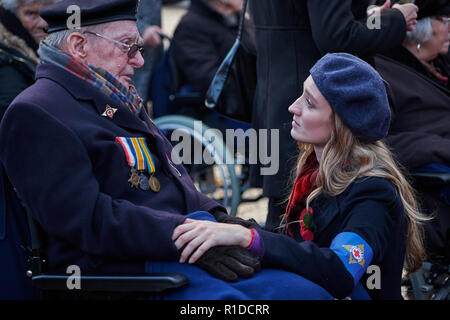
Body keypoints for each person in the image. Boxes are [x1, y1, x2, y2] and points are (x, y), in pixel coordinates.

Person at [0, 0, 366, 300]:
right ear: (80, 46)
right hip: (123, 272)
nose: (140, 61)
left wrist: (220, 219)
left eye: (139, 48)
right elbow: (89, 221)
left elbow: (176, 180)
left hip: (175, 248)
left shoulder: (109, 95)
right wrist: (188, 237)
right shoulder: (38, 110)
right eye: (129, 47)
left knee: (319, 288)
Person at [173, 53, 429, 300]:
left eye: (309, 103)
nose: (292, 107)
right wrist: (233, 227)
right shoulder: (316, 171)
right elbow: (295, 247)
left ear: (342, 124)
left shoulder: (373, 192)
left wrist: (249, 238)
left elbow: (340, 270)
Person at [248, 0, 419, 232]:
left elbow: (313, 21)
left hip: (280, 88)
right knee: (312, 218)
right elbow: (337, 37)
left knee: (286, 219)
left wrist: (375, 19)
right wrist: (396, 20)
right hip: (316, 99)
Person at [374, 0, 450, 259]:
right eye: (446, 21)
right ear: (420, 28)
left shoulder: (438, 63)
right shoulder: (384, 74)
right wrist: (442, 148)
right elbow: (382, 146)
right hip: (433, 199)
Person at [0, 0, 55, 120]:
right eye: (31, 14)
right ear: (11, 15)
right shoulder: (7, 63)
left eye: (48, 13)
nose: (43, 23)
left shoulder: (58, 51)